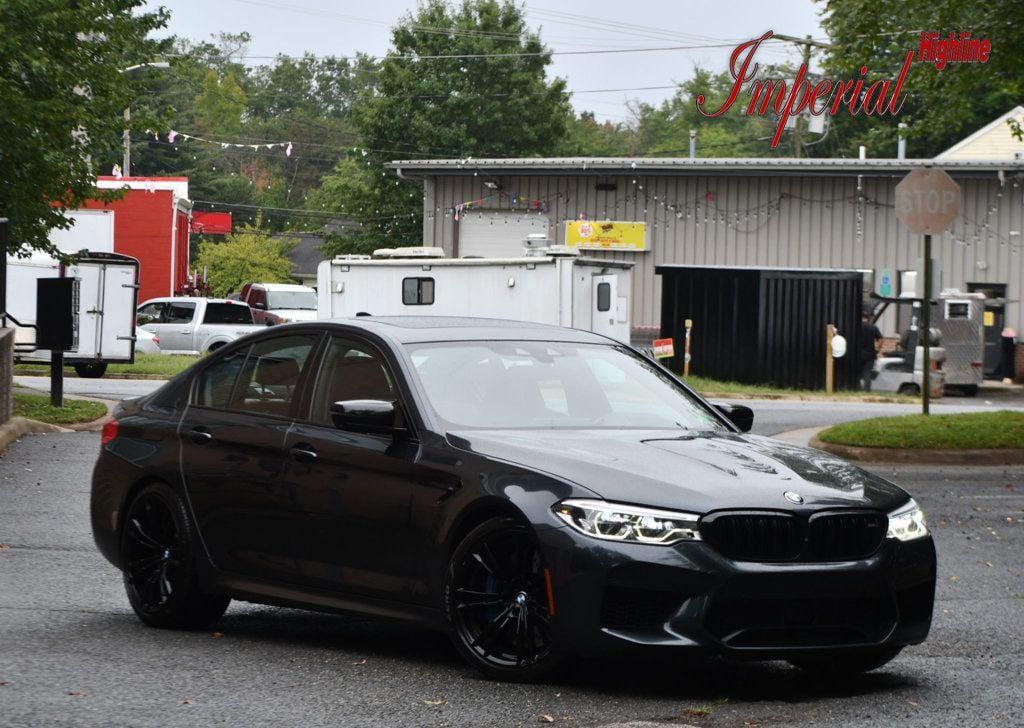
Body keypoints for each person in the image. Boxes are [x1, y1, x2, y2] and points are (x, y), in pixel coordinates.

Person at [859, 311, 882, 390]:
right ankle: (867, 390)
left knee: (857, 372)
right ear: (868, 318)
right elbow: (880, 340)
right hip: (870, 355)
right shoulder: (873, 327)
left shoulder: (856, 326)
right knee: (867, 373)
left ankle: (857, 389)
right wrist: (877, 350)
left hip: (858, 354)